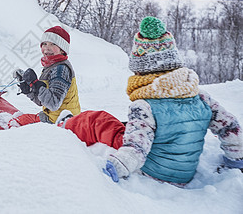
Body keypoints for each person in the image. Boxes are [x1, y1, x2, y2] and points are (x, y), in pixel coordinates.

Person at [99, 16, 243, 185]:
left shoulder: (143, 105)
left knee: (100, 121)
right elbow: (230, 126)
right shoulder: (200, 96)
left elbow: (136, 148)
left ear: (141, 69)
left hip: (154, 172)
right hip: (185, 174)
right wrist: (236, 160)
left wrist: (115, 167)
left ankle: (67, 127)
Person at [10, 26, 81, 126]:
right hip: (54, 118)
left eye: (53, 44)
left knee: (15, 123)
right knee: (18, 120)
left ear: (62, 49)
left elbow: (53, 104)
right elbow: (42, 102)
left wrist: (36, 84)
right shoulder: (52, 66)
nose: (47, 47)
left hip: (62, 123)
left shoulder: (60, 69)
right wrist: (29, 90)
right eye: (44, 44)